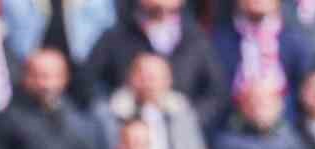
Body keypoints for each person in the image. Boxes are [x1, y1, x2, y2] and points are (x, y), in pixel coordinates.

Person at [77, 0, 227, 130]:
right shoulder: (116, 35)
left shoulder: (196, 39)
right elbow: (86, 81)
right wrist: (111, 111)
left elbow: (217, 91)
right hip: (126, 136)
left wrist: (191, 119)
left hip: (179, 138)